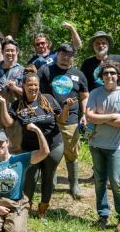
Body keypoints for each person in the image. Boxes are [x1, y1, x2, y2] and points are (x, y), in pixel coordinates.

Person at [0, 69, 70, 217]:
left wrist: (66, 108)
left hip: (53, 145)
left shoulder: (48, 99)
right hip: (30, 148)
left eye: (36, 85)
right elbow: (8, 123)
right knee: (30, 178)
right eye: (30, 85)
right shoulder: (18, 105)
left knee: (48, 177)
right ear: (23, 85)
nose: (33, 88)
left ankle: (43, 209)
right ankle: (26, 206)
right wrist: (3, 103)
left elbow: (61, 119)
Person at [84, 60, 120, 232]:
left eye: (113, 73)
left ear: (119, 75)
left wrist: (101, 118)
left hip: (116, 146)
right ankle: (103, 215)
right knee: (99, 181)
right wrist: (114, 116)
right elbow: (89, 117)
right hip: (96, 144)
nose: (109, 76)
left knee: (116, 181)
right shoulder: (95, 93)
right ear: (102, 75)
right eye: (106, 73)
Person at [37, 43, 88, 199]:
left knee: (72, 152)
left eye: (69, 55)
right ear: (57, 54)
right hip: (48, 118)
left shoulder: (78, 74)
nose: (66, 57)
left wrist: (84, 114)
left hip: (71, 120)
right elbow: (34, 88)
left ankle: (74, 185)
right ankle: (50, 184)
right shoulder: (46, 70)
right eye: (63, 54)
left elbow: (85, 95)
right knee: (50, 152)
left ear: (73, 57)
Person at [0, 126, 49, 232]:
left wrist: (38, 130)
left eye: (0, 142)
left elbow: (45, 152)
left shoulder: (20, 160)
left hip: (16, 203)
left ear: (7, 142)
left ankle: (11, 219)